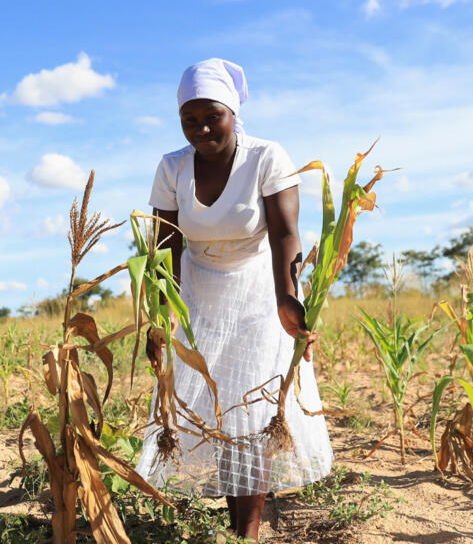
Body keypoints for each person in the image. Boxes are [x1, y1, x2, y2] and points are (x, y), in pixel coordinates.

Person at [135, 58, 333, 541]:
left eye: (213, 116)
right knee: (216, 405)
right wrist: (164, 315)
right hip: (197, 291)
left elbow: (285, 233)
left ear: (233, 113)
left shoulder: (266, 157)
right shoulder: (172, 167)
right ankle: (234, 521)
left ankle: (248, 532)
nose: (201, 128)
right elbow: (166, 246)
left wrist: (288, 299)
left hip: (259, 288)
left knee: (253, 411)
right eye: (189, 119)